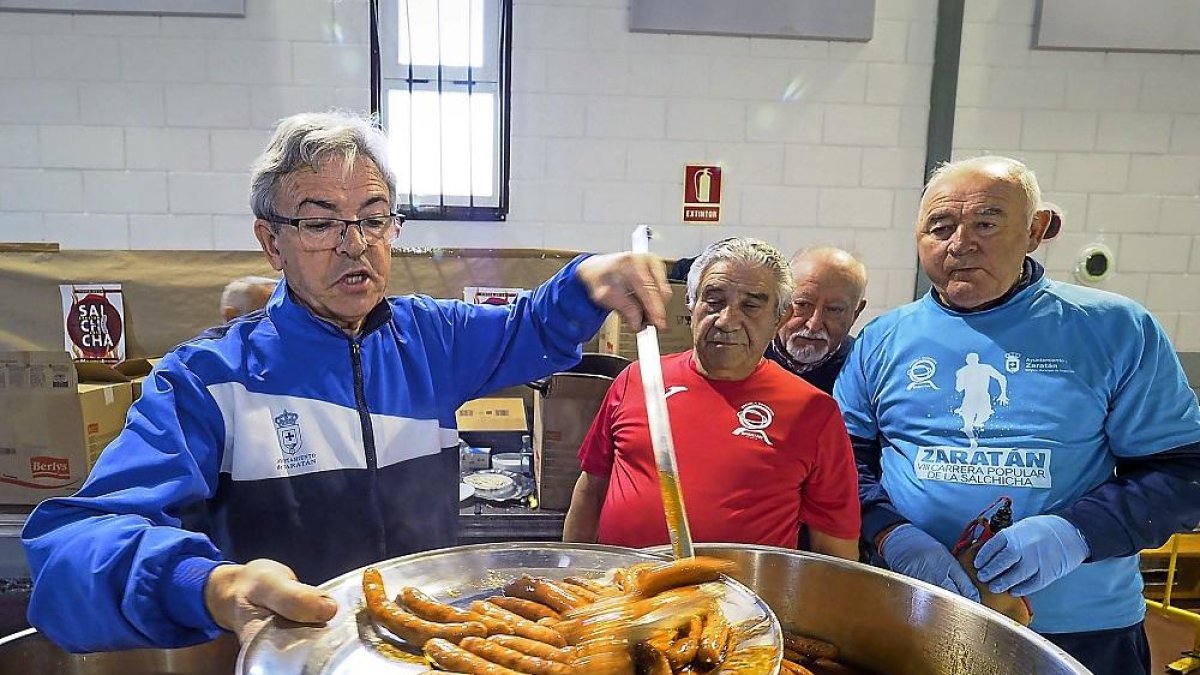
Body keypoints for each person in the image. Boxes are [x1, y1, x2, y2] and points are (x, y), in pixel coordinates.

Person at [21, 111, 672, 653]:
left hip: (427, 654)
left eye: (374, 216)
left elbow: (527, 328)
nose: (355, 243)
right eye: (320, 221)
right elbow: (67, 553)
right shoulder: (207, 381)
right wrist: (210, 583)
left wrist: (589, 282)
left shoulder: (431, 341)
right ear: (272, 243)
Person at [834, 155, 1200, 675]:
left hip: (1081, 631)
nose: (960, 244)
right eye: (940, 227)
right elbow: (844, 462)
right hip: (921, 615)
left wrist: (1074, 534)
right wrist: (891, 532)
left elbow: (1184, 472)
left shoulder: (1114, 330)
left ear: (1036, 230)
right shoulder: (883, 340)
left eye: (986, 222)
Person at [563, 237, 861, 560]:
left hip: (739, 603)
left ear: (780, 317)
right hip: (622, 594)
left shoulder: (814, 413)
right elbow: (591, 491)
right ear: (691, 305)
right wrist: (569, 572)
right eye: (714, 300)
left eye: (751, 305)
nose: (727, 320)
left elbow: (835, 547)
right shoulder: (637, 379)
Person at [764, 246, 867, 395]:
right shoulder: (743, 354)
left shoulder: (863, 370)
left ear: (856, 313)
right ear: (781, 300)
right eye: (803, 305)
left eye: (834, 310)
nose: (814, 324)